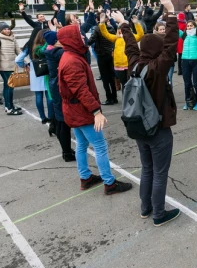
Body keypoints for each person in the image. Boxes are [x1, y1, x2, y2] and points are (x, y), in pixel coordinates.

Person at [123, 0, 181, 226]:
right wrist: (171, 14)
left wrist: (124, 25)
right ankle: (158, 214)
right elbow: (170, 44)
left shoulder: (134, 65)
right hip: (157, 127)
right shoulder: (157, 68)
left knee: (147, 168)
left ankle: (145, 208)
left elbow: (130, 47)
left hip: (139, 125)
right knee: (159, 172)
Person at [57, 24, 132, 195]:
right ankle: (109, 183)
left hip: (74, 109)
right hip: (80, 110)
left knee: (82, 144)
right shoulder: (72, 61)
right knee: (99, 145)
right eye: (79, 35)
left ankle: (86, 177)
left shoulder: (70, 56)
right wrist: (96, 111)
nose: (83, 38)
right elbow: (81, 90)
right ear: (72, 39)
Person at [44, 28, 76, 162]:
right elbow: (75, 52)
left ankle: (66, 150)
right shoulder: (56, 52)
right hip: (59, 87)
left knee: (60, 119)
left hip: (55, 86)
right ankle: (67, 152)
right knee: (63, 122)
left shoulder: (51, 49)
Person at [98, 12, 144, 89]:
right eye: (119, 29)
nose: (121, 31)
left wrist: (136, 24)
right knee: (124, 85)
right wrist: (102, 23)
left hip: (129, 65)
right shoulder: (116, 38)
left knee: (131, 84)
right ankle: (125, 99)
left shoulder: (131, 37)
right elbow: (105, 34)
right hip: (119, 66)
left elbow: (140, 35)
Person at [0, 22, 22, 115]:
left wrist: (27, 62)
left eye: (8, 29)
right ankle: (9, 108)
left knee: (10, 87)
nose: (7, 30)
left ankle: (10, 105)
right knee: (9, 87)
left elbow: (19, 51)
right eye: (5, 29)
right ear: (1, 30)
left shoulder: (12, 38)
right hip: (4, 67)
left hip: (12, 66)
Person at [87, 14, 118, 105]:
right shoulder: (111, 28)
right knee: (111, 77)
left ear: (98, 20)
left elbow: (90, 41)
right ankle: (114, 97)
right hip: (110, 54)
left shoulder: (97, 29)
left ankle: (109, 98)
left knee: (105, 78)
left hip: (101, 55)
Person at [180, 5, 197, 110]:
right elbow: (173, 29)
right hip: (185, 60)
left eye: (191, 26)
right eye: (188, 26)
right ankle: (188, 101)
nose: (189, 27)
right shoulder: (184, 35)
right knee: (187, 83)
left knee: (196, 83)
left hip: (196, 61)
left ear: (194, 27)